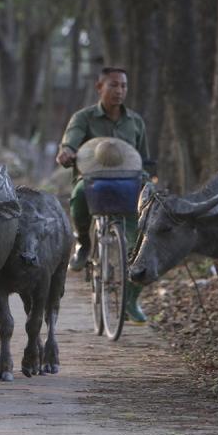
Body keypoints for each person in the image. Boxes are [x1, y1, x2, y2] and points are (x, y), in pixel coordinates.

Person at [55, 66, 151, 323]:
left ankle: (130, 299)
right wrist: (67, 152)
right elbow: (70, 142)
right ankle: (83, 243)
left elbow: (146, 159)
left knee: (145, 243)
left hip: (129, 185)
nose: (119, 91)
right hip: (93, 184)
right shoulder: (83, 118)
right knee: (78, 194)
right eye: (113, 85)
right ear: (100, 87)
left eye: (123, 86)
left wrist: (151, 180)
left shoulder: (135, 121)